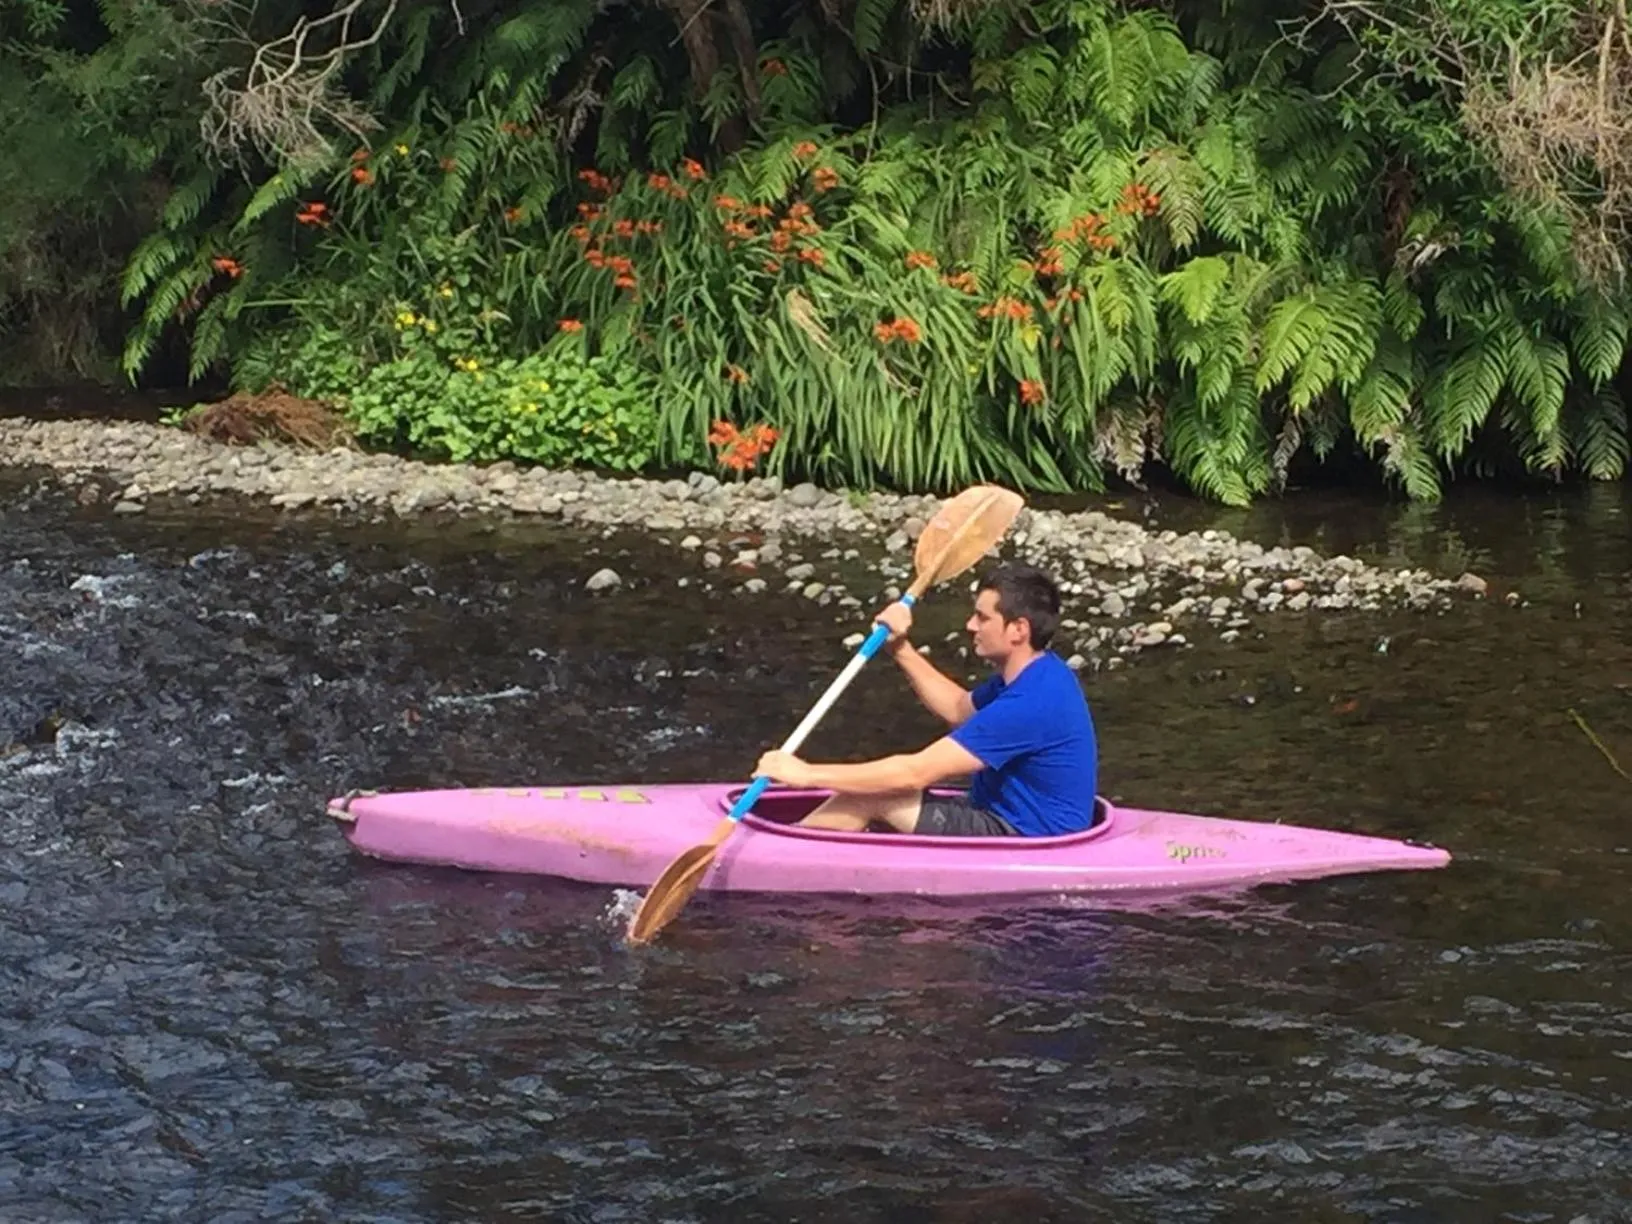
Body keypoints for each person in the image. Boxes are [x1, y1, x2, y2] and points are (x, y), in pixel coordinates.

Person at [753, 562, 1099, 837]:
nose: (969, 625)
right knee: (870, 790)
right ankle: (797, 845)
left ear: (1018, 629)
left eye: (982, 617)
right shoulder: (1038, 674)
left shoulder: (1031, 703)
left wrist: (807, 774)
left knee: (867, 795)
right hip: (1006, 816)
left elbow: (915, 773)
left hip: (1024, 836)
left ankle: (778, 858)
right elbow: (959, 708)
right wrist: (900, 648)